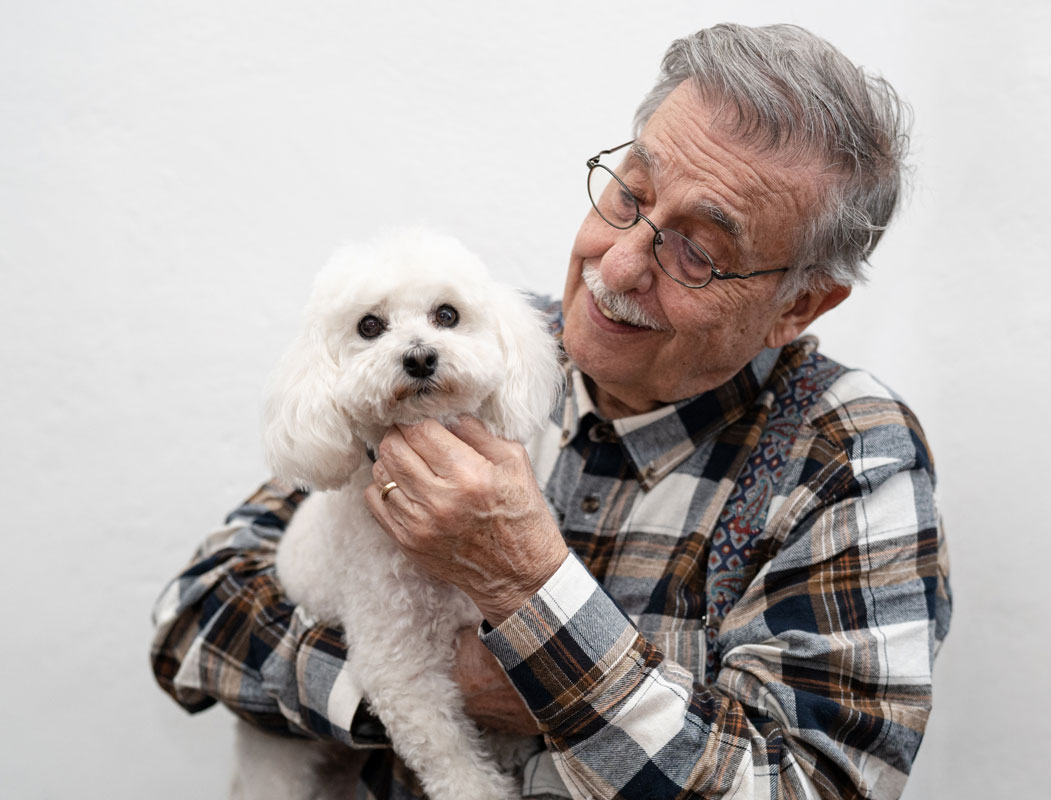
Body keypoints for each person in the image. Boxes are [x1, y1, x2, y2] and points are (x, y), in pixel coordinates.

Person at [152, 22, 951, 800]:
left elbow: (802, 785)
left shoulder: (849, 457)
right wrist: (416, 686)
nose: (622, 262)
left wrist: (530, 593)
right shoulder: (471, 354)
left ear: (798, 304)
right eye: (629, 195)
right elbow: (193, 621)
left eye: (699, 251)